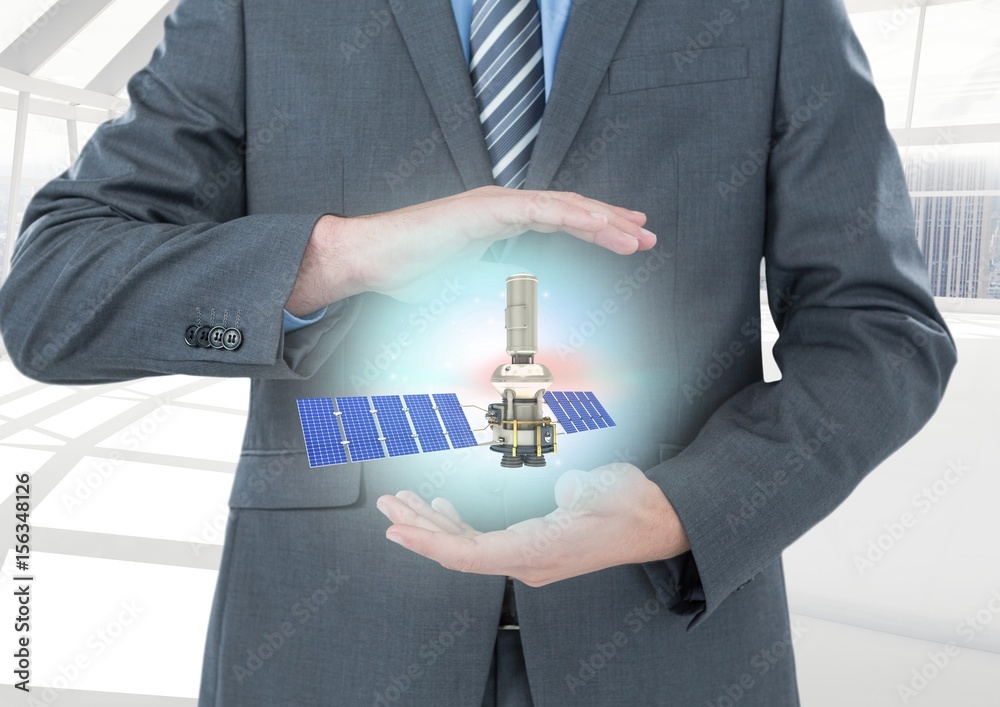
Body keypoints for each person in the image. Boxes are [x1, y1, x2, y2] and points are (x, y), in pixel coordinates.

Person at [0, 0, 957, 705]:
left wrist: (683, 510)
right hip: (329, 645)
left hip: (665, 644)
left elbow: (880, 330)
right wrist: (337, 255)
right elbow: (53, 299)